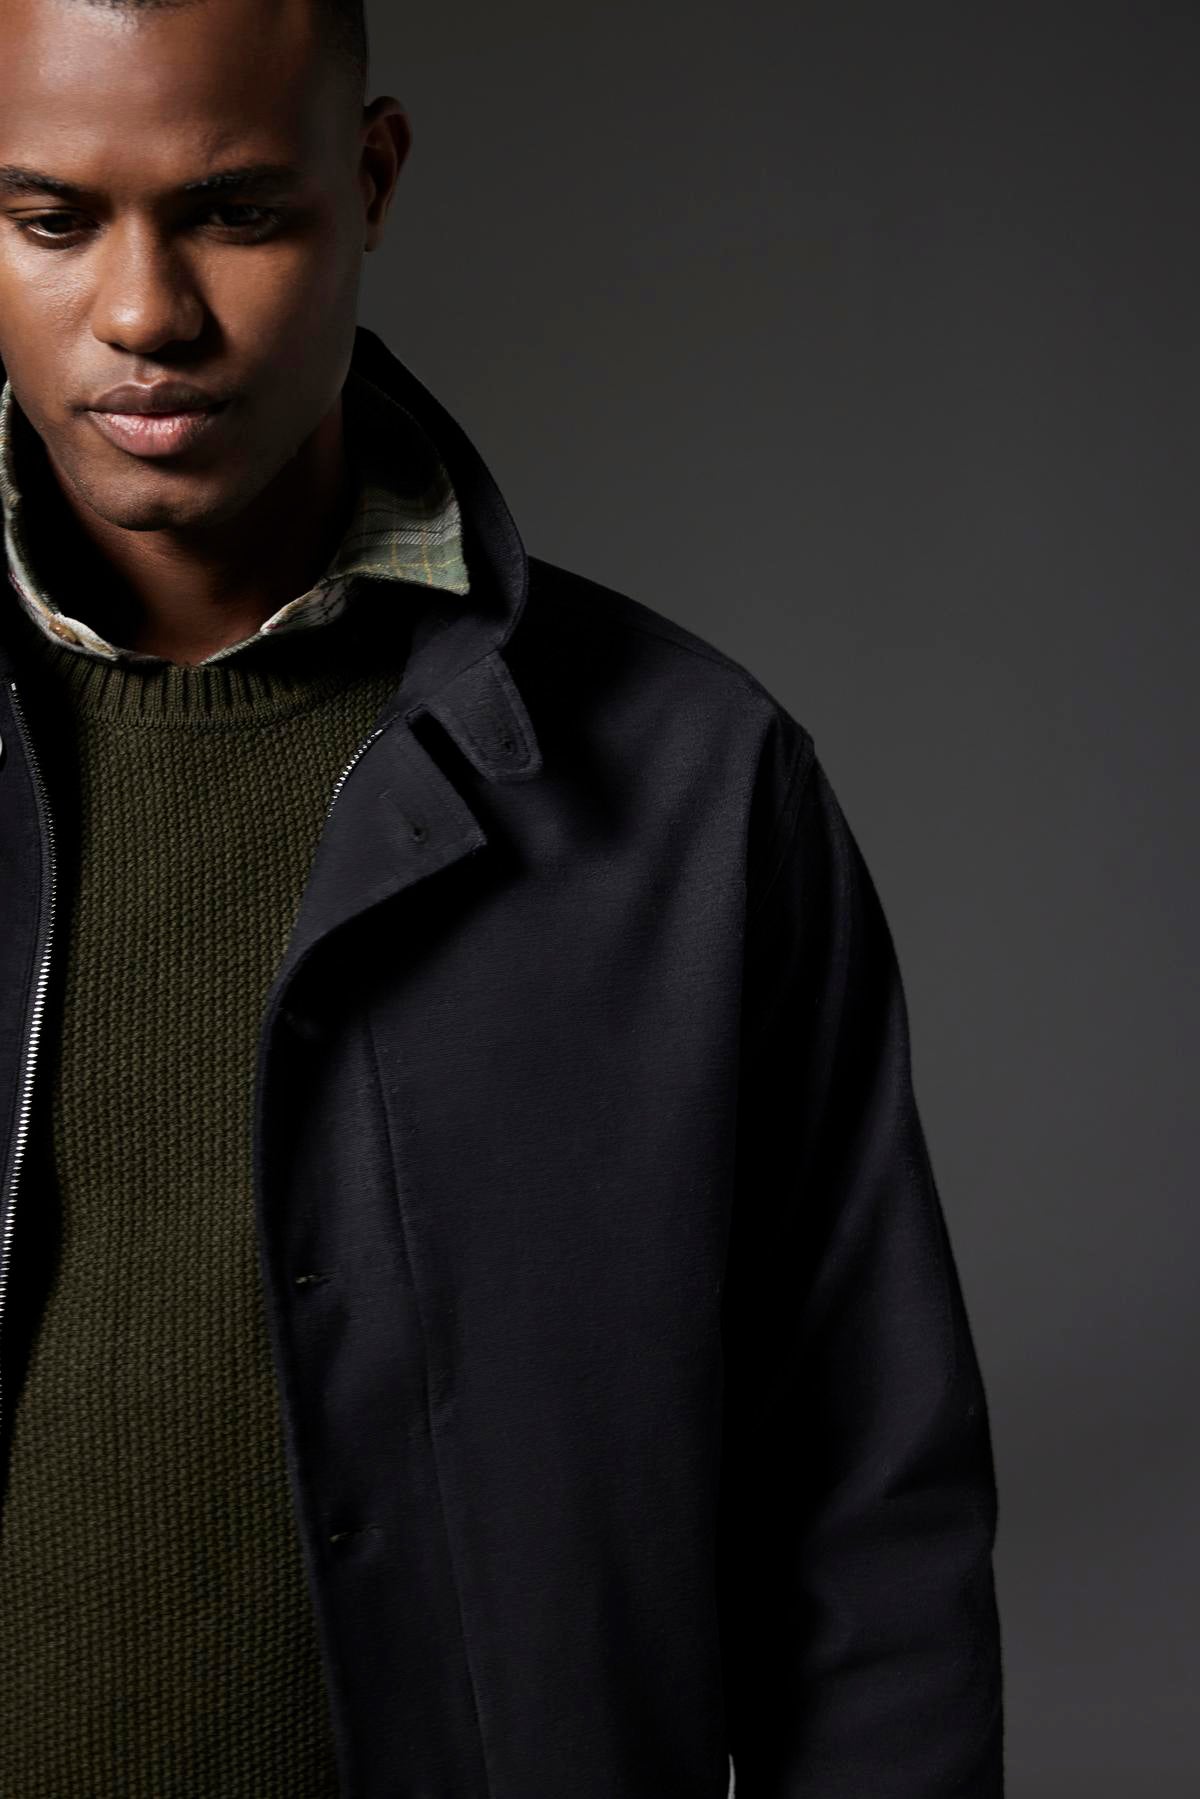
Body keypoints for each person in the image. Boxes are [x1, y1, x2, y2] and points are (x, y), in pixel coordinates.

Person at [0, 0, 1005, 1794]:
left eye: (234, 209)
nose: (145, 314)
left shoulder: (696, 787)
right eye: (50, 218)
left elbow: (871, 1533)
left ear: (370, 179)